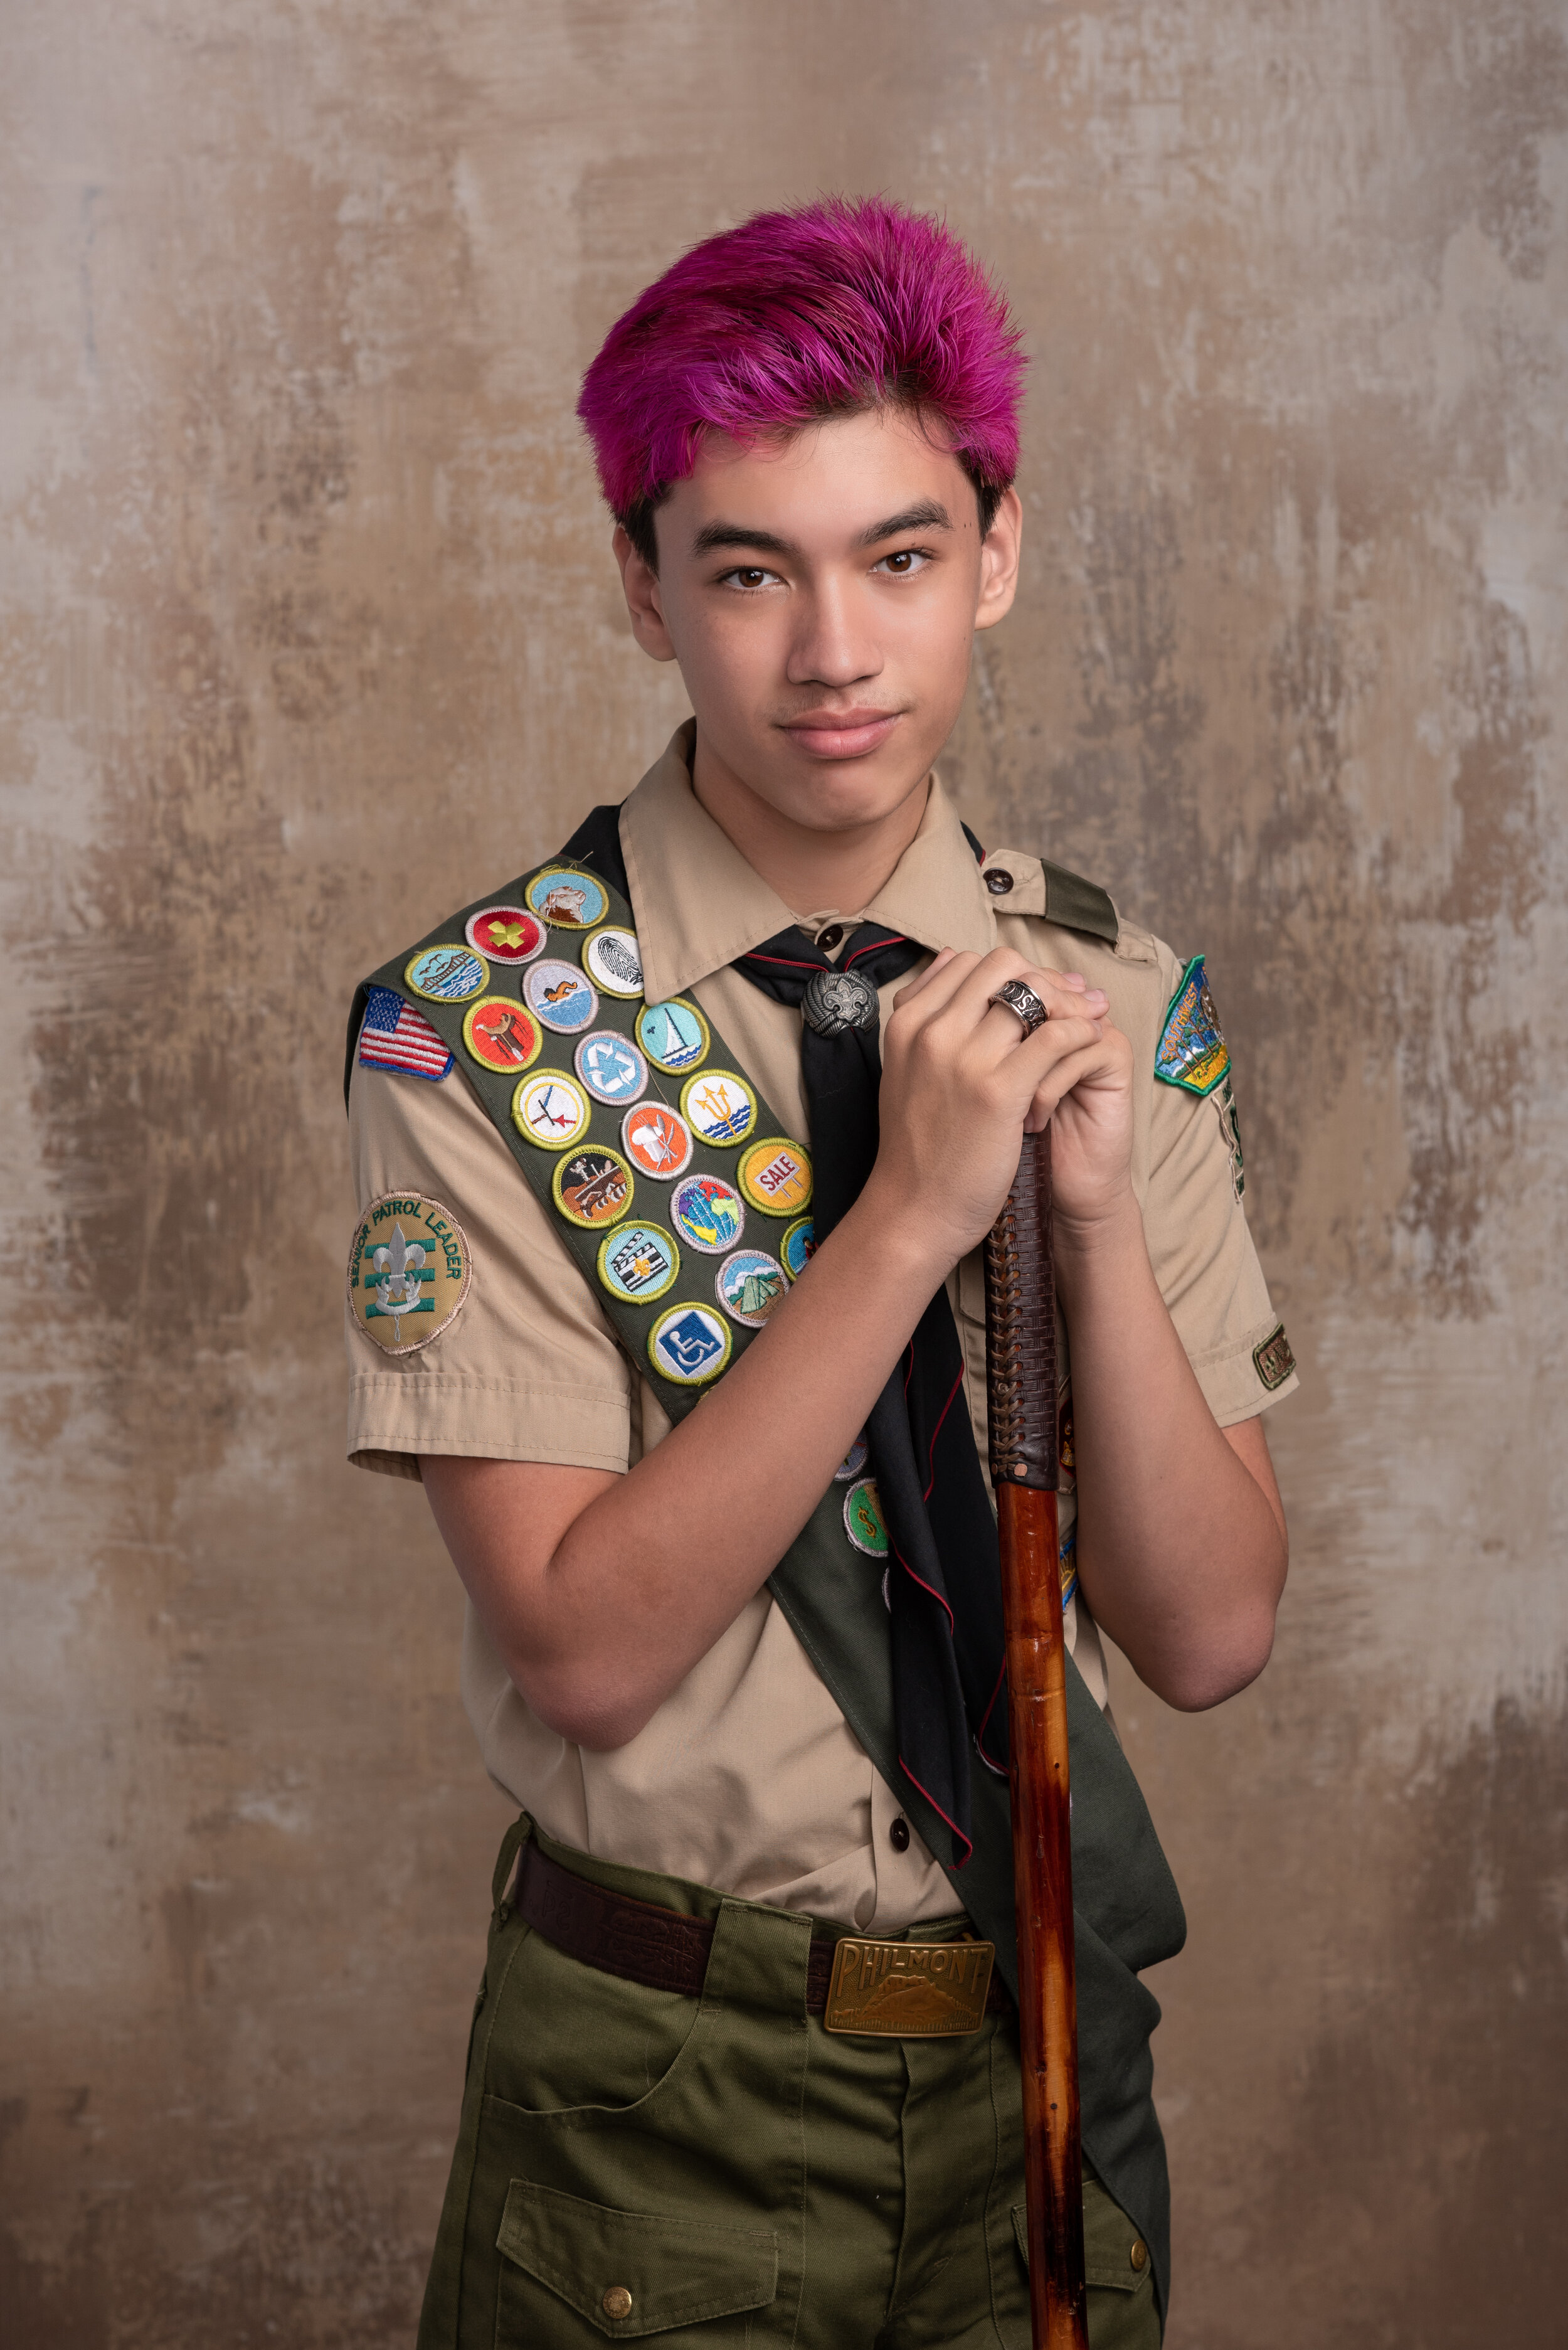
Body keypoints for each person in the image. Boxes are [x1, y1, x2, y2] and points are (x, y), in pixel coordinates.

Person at [343, 197, 1296, 2350]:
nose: (834, 654)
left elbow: (1213, 1626)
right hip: (657, 2091)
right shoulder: (487, 1029)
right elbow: (585, 1652)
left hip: (1026, 2055)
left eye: (896, 555)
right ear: (641, 582)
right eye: (749, 571)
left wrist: (1073, 1215)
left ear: (995, 553)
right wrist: (903, 1221)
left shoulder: (1113, 985)